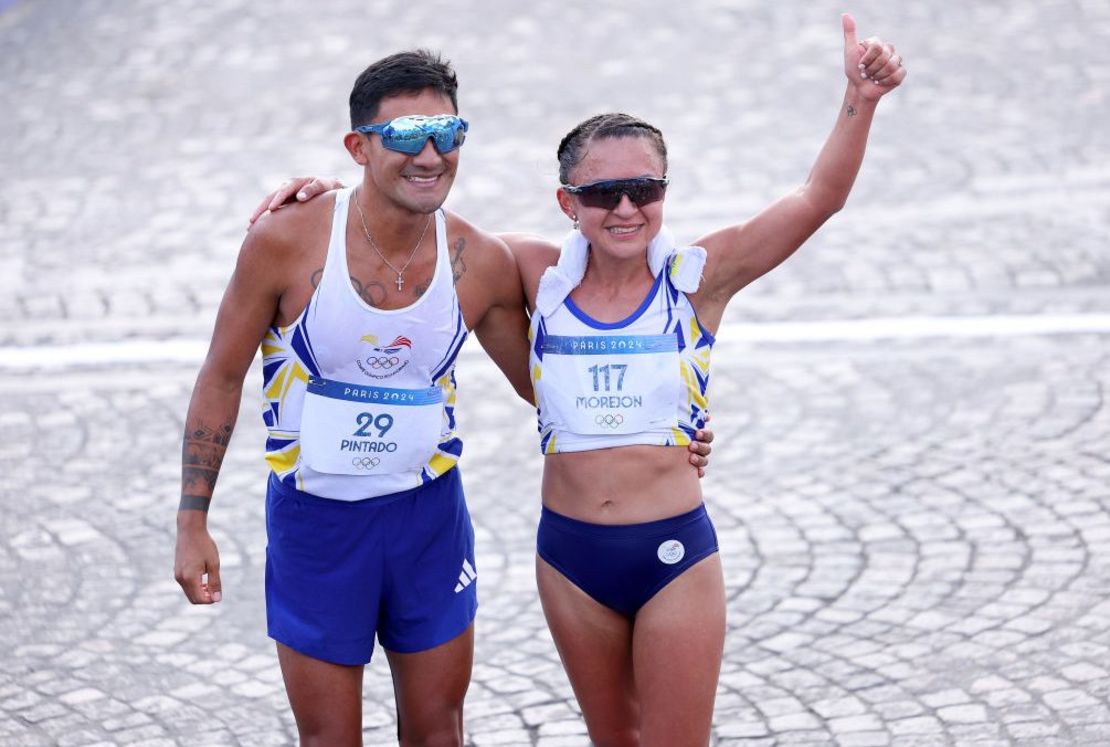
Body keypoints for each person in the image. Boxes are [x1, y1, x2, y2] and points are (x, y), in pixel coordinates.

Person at [267, 14, 905, 744]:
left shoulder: (699, 280)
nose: (626, 207)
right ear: (567, 202)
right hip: (569, 560)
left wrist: (860, 100)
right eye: (602, 194)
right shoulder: (527, 271)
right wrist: (327, 195)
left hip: (673, 553)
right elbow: (410, 223)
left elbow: (815, 197)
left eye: (644, 188)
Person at [175, 50, 713, 746]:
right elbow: (220, 374)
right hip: (316, 522)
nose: (428, 154)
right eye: (402, 136)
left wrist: (667, 427)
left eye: (446, 134)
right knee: (329, 737)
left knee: (438, 732)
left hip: (427, 521)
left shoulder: (479, 262)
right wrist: (193, 520)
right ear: (359, 146)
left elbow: (554, 386)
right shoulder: (285, 241)